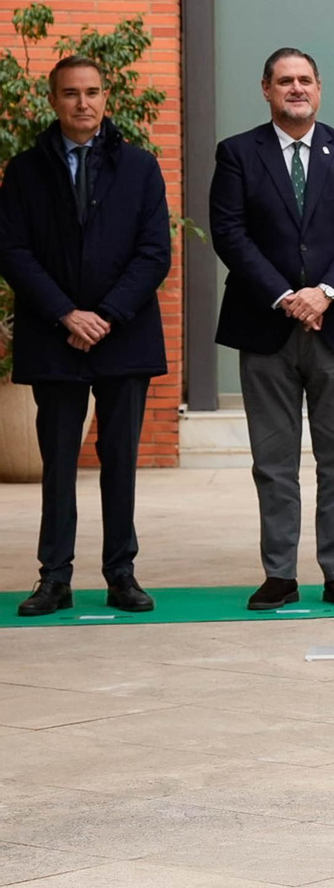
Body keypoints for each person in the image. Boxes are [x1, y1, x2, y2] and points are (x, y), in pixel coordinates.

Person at [210, 48, 334, 611]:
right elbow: (230, 234)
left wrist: (324, 293)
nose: (295, 89)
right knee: (274, 460)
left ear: (319, 88)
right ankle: (280, 574)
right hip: (265, 326)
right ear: (265, 89)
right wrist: (287, 296)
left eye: (304, 80)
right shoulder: (238, 153)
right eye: (284, 81)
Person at [0, 56, 171, 617]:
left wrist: (105, 316)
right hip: (54, 337)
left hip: (123, 337)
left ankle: (121, 574)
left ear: (107, 97)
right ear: (52, 99)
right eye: (71, 93)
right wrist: (66, 315)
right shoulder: (25, 171)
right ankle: (55, 577)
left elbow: (154, 254)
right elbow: (14, 251)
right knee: (59, 461)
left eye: (93, 91)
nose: (83, 103)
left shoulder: (142, 168)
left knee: (120, 458)